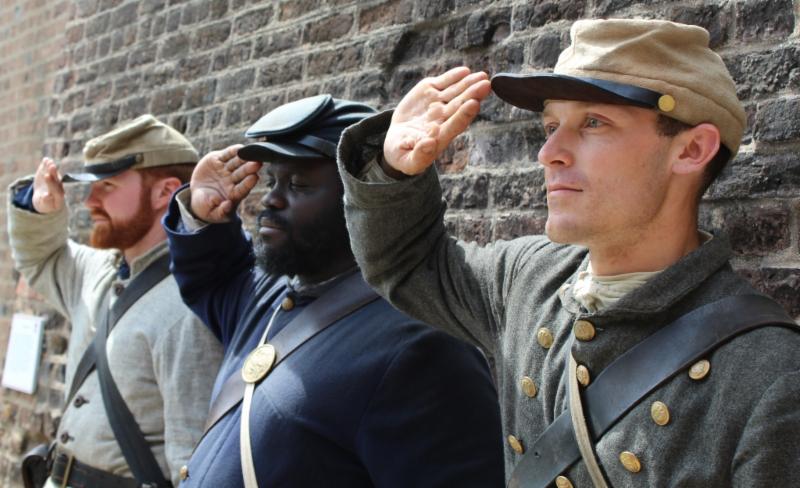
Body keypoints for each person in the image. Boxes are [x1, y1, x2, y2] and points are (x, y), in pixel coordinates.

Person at [336, 18, 800, 487]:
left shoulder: (771, 375)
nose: (549, 153)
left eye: (593, 123)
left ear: (692, 149)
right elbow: (409, 263)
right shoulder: (529, 278)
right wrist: (392, 169)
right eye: (552, 125)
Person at [161, 94, 505, 487]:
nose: (272, 198)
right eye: (273, 180)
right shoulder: (274, 295)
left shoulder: (422, 344)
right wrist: (202, 213)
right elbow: (214, 278)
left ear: (359, 204)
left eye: (300, 185)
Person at [7, 114, 223, 488]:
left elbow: (194, 461)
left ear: (163, 192)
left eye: (106, 185)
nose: (89, 201)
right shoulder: (101, 271)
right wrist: (42, 210)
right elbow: (42, 260)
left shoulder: (189, 306)